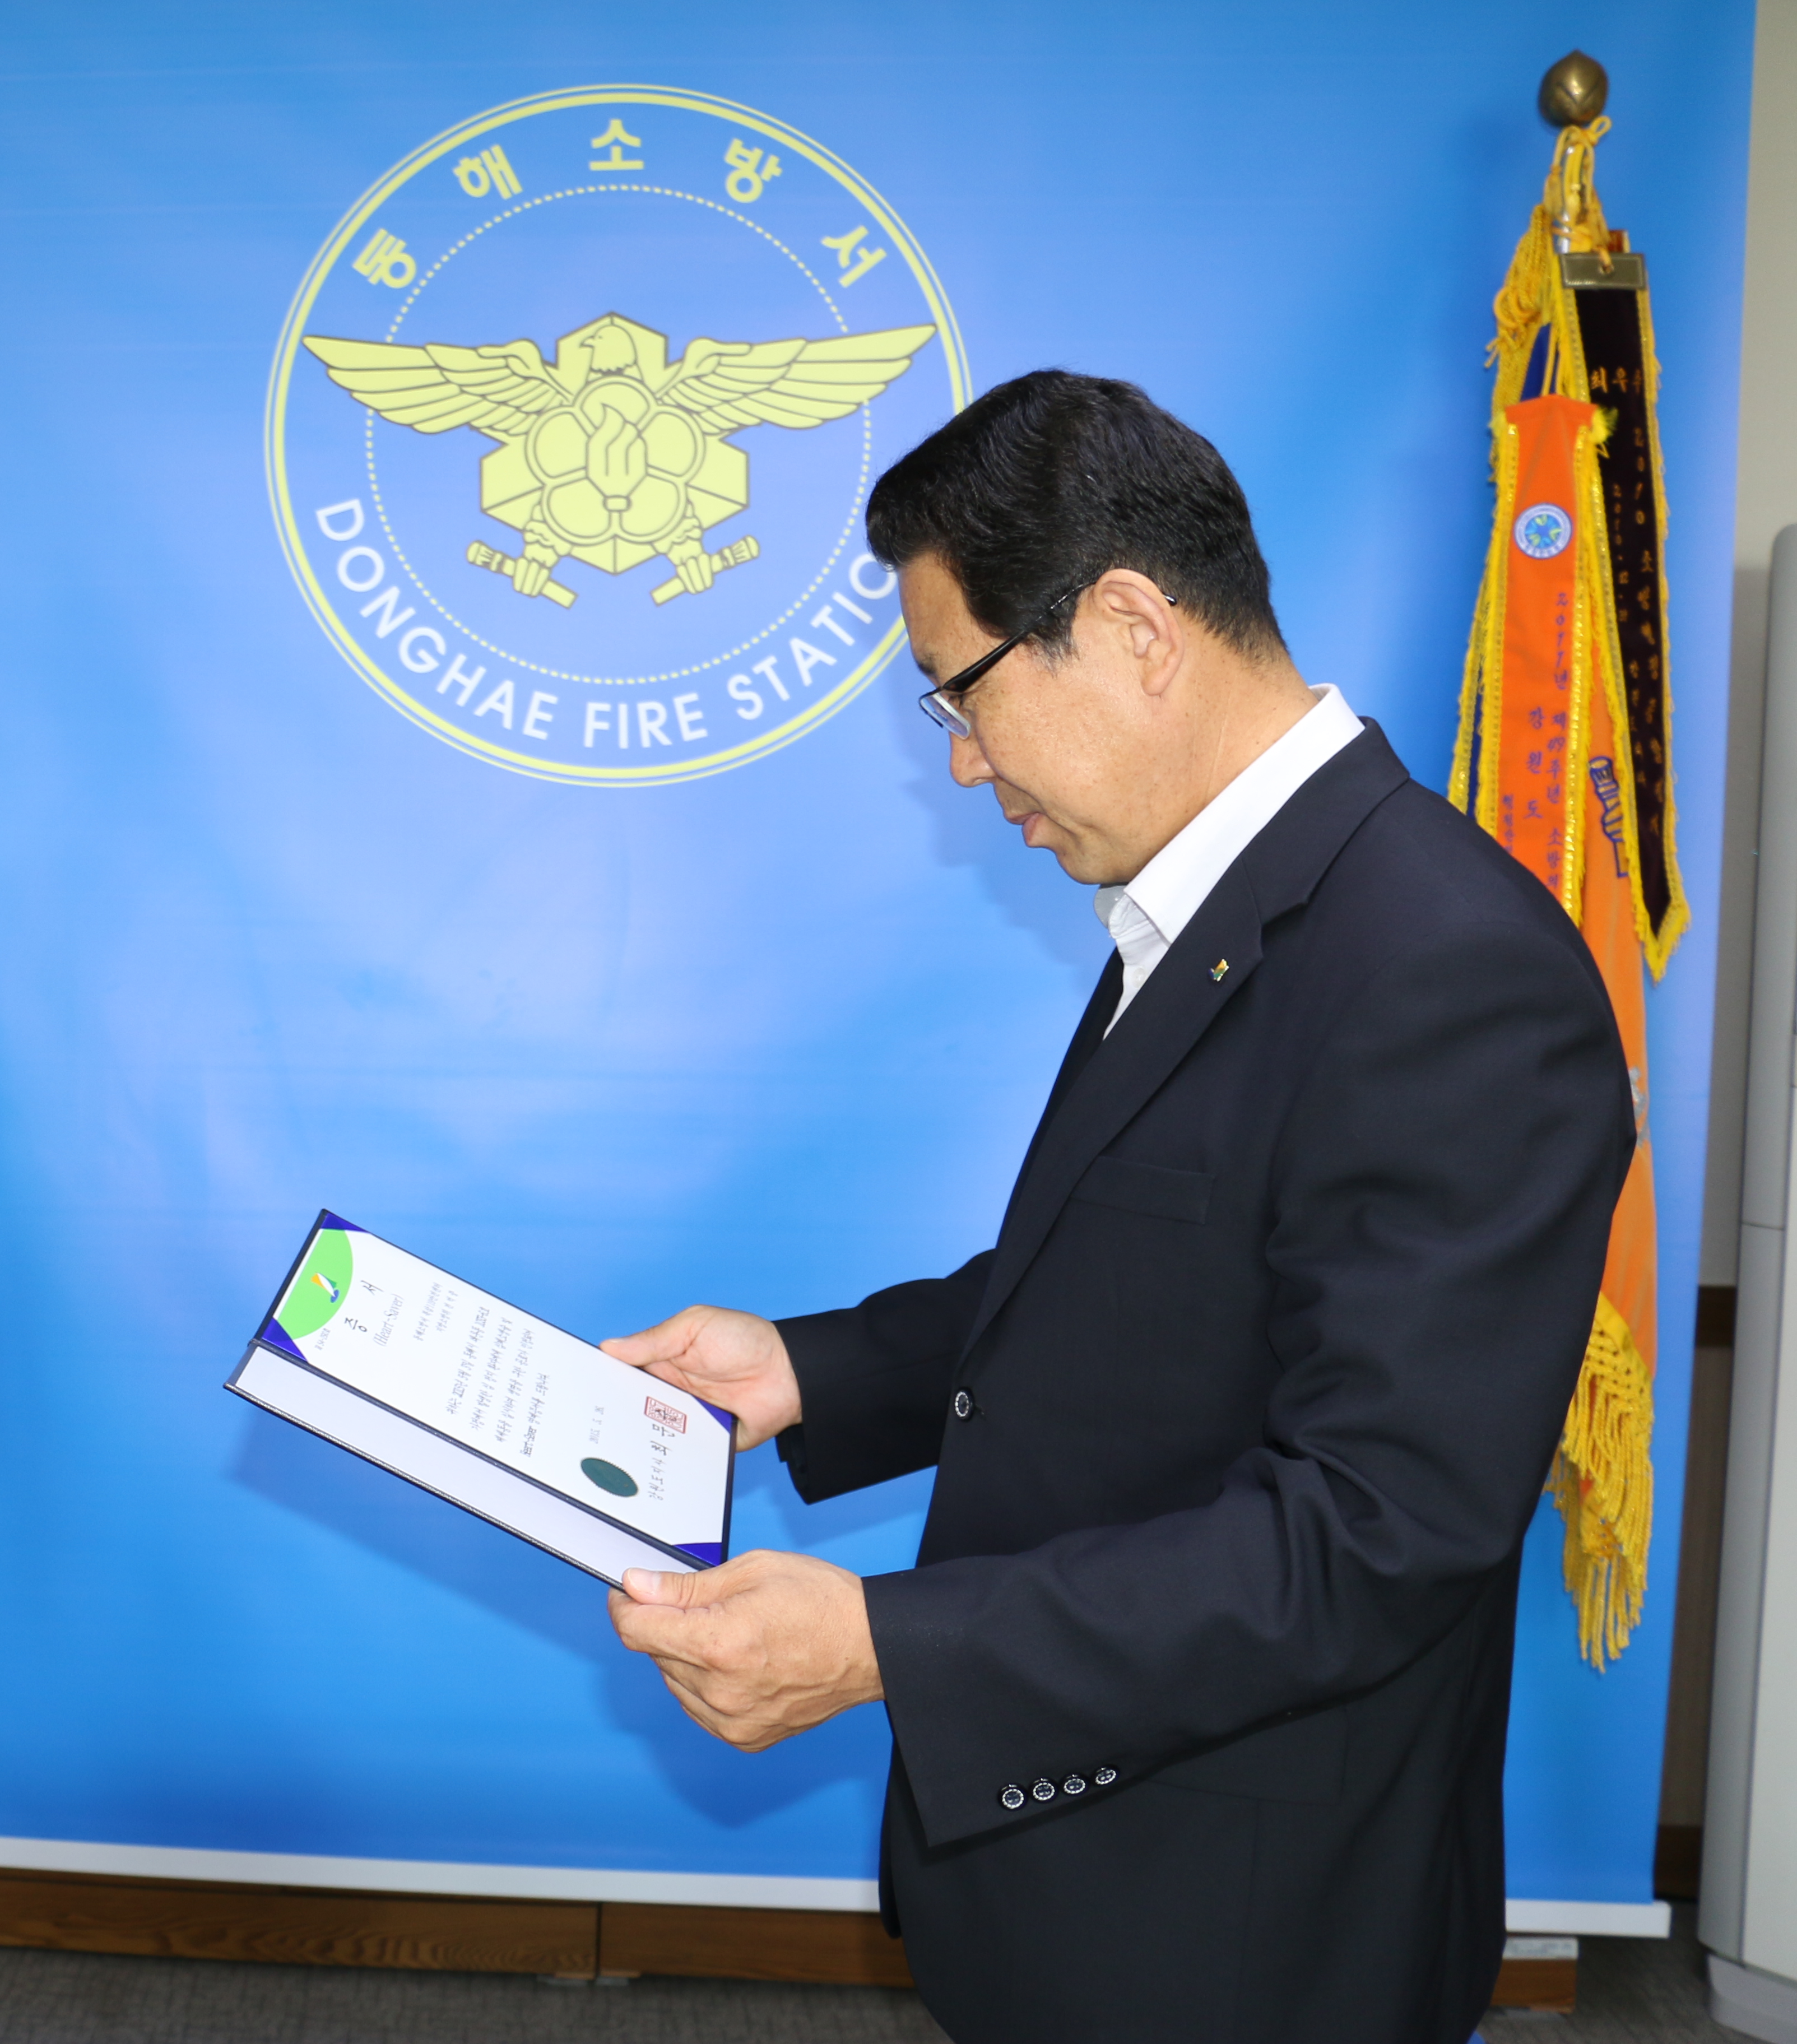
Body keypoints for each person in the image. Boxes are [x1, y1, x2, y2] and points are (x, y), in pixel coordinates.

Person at [600, 371, 1636, 2043]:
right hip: (1099, 1879)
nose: (961, 764)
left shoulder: (1446, 965)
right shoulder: (1228, 894)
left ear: (1136, 628)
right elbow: (1141, 1270)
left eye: (964, 696)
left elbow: (1376, 1530)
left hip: (1244, 1933)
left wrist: (892, 1647)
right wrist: (808, 1370)